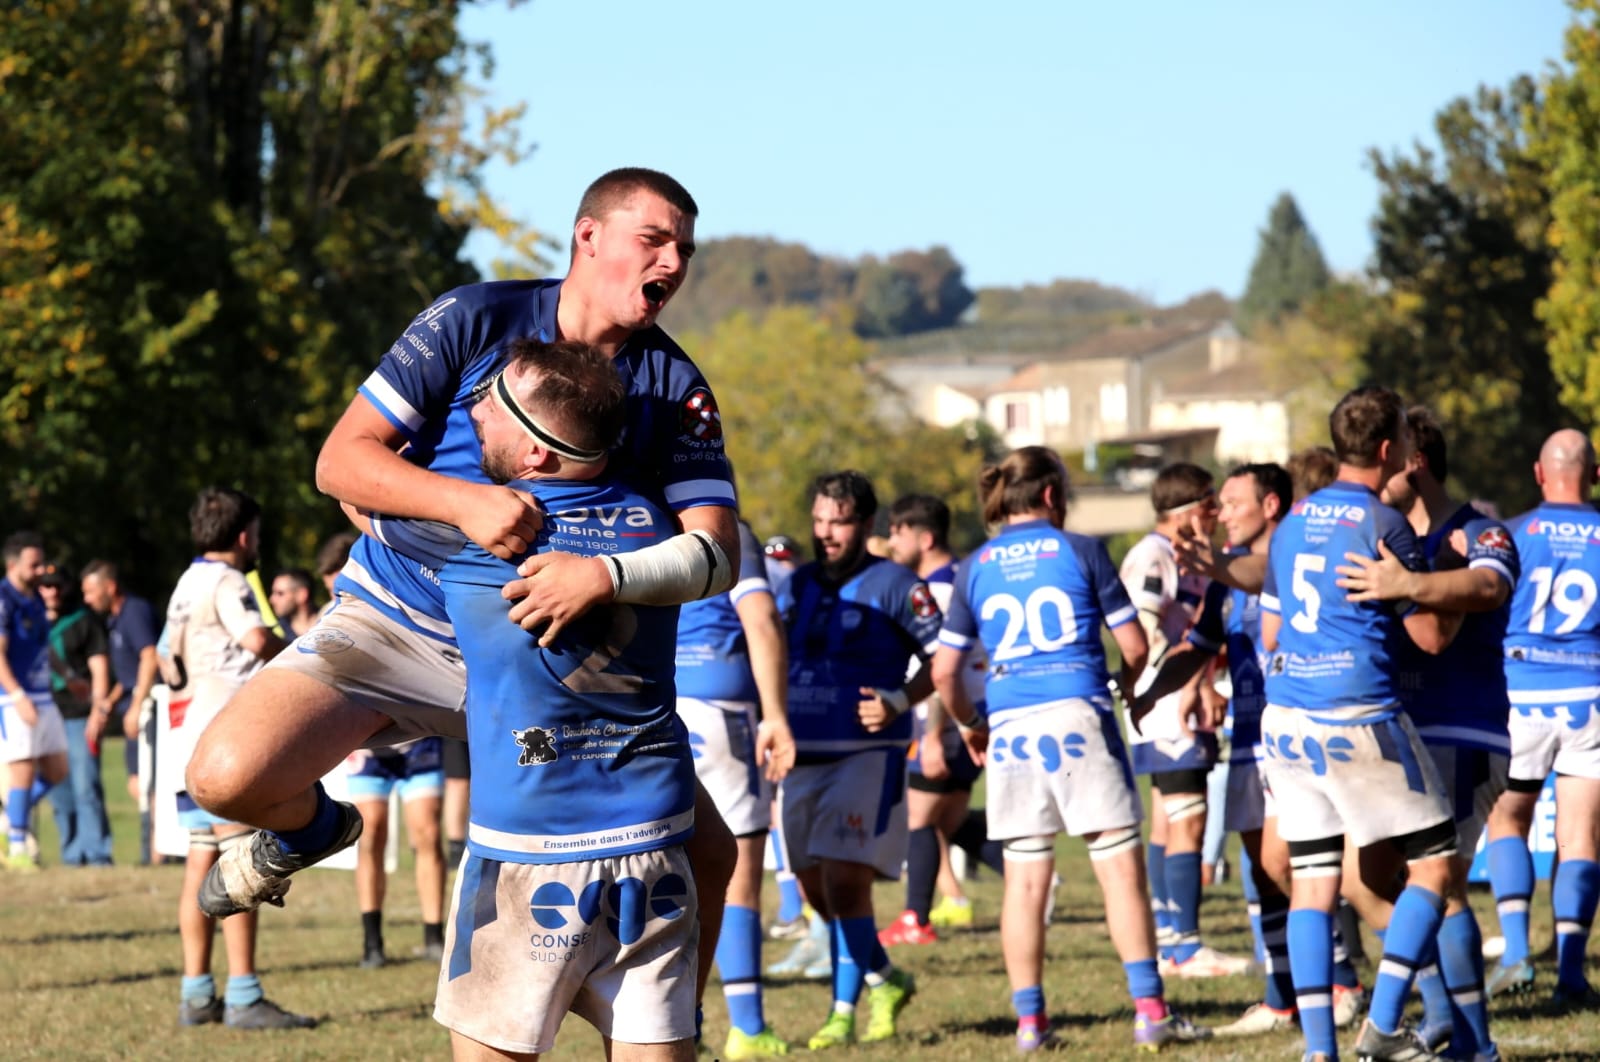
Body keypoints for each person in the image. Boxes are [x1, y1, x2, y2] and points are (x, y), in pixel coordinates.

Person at [185, 170, 741, 1007]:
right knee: (223, 777)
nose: (672, 262)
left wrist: (604, 575)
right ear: (588, 237)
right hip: (395, 621)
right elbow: (341, 462)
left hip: (541, 663)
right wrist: (464, 501)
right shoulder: (476, 317)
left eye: (685, 251)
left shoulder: (673, 386)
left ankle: (669, 1037)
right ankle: (317, 828)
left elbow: (718, 553)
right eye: (654, 240)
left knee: (711, 854)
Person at [358, 338, 700, 1059]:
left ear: (538, 453)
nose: (475, 411)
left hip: (527, 850)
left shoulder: (469, 537)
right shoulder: (655, 523)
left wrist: (452, 495)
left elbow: (353, 491)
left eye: (495, 404)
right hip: (657, 842)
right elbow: (712, 554)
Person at [932, 446, 1208, 1053]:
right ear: (1053, 495)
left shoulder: (975, 565)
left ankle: (1030, 1025)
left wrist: (974, 724)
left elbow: (945, 671)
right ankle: (1151, 1012)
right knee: (1119, 873)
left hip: (1010, 729)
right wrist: (1130, 691)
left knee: (1025, 885)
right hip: (1078, 716)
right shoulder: (1081, 550)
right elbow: (1135, 647)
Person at [1259, 386, 1463, 1062]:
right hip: (1357, 711)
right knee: (1435, 869)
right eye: (1405, 440)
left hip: (1286, 715)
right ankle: (1380, 1025)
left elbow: (1275, 623)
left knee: (1313, 883)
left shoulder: (1289, 523)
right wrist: (1451, 581)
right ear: (1386, 450)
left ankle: (1321, 1052)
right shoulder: (1383, 524)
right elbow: (1431, 637)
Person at [1138, 463, 1366, 1037]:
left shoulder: (1290, 558)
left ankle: (1341, 978)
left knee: (1282, 862)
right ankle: (1281, 996)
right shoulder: (1223, 580)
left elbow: (1261, 574)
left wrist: (1215, 564)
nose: (1222, 513)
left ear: (1270, 506)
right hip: (1249, 736)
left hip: (1296, 736)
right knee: (1260, 874)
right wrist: (1153, 689)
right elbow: (1199, 646)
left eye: (1233, 502)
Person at [1335, 407, 1518, 1057]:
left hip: (1463, 730)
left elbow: (1490, 586)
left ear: (1411, 462)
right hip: (1401, 734)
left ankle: (1471, 1042)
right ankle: (1444, 1014)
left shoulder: (1478, 530)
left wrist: (1410, 583)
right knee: (1364, 883)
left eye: (1387, 469)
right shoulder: (1379, 533)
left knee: (1437, 884)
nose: (1374, 481)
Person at [778, 471, 935, 1050]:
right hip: (801, 756)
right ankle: (885, 978)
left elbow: (944, 658)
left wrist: (899, 700)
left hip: (867, 755)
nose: (826, 533)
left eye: (838, 521)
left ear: (866, 525)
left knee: (845, 885)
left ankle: (842, 1013)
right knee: (815, 888)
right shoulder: (796, 584)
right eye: (819, 521)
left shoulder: (896, 583)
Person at [163, 488, 311, 1029]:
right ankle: (245, 996)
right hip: (226, 746)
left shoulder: (185, 582)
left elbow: (165, 660)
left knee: (199, 863)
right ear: (245, 535)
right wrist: (299, 650)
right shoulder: (228, 581)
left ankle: (196, 994)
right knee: (239, 867)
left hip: (187, 741)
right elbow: (254, 639)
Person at [1480, 428, 1600, 1008]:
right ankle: (1572, 972)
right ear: (1595, 475)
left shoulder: (1516, 533)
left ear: (1537, 473)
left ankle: (1516, 956)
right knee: (1580, 835)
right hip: (1592, 695)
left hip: (1521, 693)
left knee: (1509, 822)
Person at [1119, 463, 1249, 978]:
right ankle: (1185, 948)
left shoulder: (1191, 556)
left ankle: (1169, 934)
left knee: (1169, 819)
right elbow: (1142, 632)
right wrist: (1193, 681)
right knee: (1189, 818)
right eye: (1210, 505)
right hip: (1169, 705)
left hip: (1176, 700)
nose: (1217, 515)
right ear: (1187, 511)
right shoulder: (1152, 556)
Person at [674, 515, 796, 1059]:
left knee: (667, 874)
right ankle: (744, 1026)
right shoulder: (725, 527)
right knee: (738, 873)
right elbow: (762, 619)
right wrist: (776, 715)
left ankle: (668, 1022)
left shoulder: (640, 518)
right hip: (721, 715)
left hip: (658, 710)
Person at [879, 493, 1002, 946]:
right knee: (945, 821)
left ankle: (915, 918)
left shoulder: (940, 590)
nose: (891, 541)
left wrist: (931, 735)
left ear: (925, 537)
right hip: (969, 715)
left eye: (898, 531)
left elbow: (939, 667)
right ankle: (1028, 876)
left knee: (921, 817)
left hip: (948, 721)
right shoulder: (961, 580)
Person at [81, 560, 160, 864]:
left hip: (149, 710)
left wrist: (137, 705)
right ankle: (155, 853)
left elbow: (150, 656)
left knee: (150, 785)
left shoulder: (134, 612)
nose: (87, 598)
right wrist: (110, 702)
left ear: (110, 587)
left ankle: (157, 856)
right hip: (131, 707)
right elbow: (128, 675)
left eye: (90, 591)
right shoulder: (115, 620)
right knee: (137, 784)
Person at [346, 736, 447, 968]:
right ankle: (372, 944)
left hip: (418, 741)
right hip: (367, 746)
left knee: (428, 833)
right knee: (370, 833)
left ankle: (434, 938)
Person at [0, 532, 67, 870]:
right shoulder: (3, 598)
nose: (41, 569)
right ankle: (16, 849)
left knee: (58, 769)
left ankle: (6, 822)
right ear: (13, 565)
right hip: (13, 699)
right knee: (22, 769)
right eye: (34, 564)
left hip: (43, 695)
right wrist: (16, 695)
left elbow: (44, 646)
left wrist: (68, 675)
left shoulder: (37, 599)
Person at [40, 564, 114, 866]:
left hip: (79, 715)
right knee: (59, 792)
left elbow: (99, 668)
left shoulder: (84, 621)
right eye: (45, 585)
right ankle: (72, 856)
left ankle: (98, 855)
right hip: (45, 718)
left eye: (57, 585)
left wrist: (99, 710)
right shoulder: (30, 622)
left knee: (86, 788)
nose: (52, 591)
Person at [268, 569, 319, 637]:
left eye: (280, 593)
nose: (272, 599)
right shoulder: (276, 635)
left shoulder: (331, 622)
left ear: (302, 595)